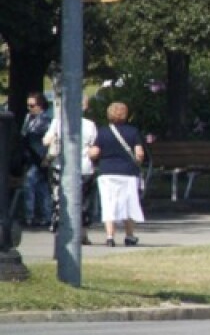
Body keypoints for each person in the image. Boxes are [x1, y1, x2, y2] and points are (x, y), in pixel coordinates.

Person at [89, 101, 146, 247]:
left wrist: (90, 153)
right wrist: (137, 162)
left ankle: (109, 237)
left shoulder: (103, 132)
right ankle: (129, 236)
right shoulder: (133, 132)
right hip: (127, 173)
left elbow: (94, 153)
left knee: (108, 204)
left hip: (107, 172)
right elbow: (139, 154)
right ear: (125, 114)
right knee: (129, 204)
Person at [44, 96, 99, 244]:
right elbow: (94, 148)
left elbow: (46, 141)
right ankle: (82, 234)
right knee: (82, 202)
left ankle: (60, 234)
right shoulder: (90, 125)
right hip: (83, 168)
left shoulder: (58, 122)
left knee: (60, 200)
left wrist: (54, 139)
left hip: (62, 167)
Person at [20, 93, 53, 227]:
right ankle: (45, 215)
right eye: (28, 105)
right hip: (31, 158)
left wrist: (46, 157)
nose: (29, 108)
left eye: (32, 105)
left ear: (40, 106)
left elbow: (45, 140)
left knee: (29, 183)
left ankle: (30, 215)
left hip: (40, 158)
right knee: (41, 187)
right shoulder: (29, 118)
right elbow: (23, 135)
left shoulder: (45, 120)